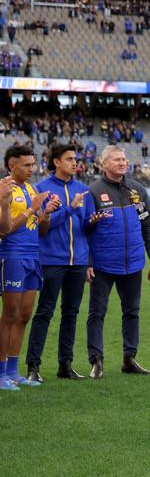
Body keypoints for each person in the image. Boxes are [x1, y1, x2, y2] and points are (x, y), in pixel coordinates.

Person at [85, 145, 150, 379]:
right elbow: (84, 230)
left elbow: (148, 223)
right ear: (104, 163)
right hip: (103, 264)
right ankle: (96, 360)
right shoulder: (94, 191)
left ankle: (129, 358)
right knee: (97, 313)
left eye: (124, 159)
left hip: (133, 263)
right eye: (117, 159)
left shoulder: (137, 190)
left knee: (132, 312)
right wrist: (88, 262)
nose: (122, 163)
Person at [26, 144, 101, 382]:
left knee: (71, 313)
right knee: (45, 312)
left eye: (75, 158)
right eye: (69, 159)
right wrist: (69, 209)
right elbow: (42, 228)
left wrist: (93, 221)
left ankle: (65, 365)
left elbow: (85, 228)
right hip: (51, 261)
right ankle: (33, 365)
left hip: (77, 262)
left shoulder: (83, 190)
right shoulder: (42, 189)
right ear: (56, 162)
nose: (74, 162)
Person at [0, 145, 61, 391]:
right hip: (12, 256)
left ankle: (14, 372)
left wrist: (44, 213)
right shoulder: (5, 189)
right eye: (26, 165)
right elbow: (4, 229)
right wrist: (32, 208)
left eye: (33, 164)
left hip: (33, 257)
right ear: (11, 165)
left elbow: (42, 231)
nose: (31, 169)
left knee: (25, 315)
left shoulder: (31, 189)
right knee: (10, 315)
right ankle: (1, 372)